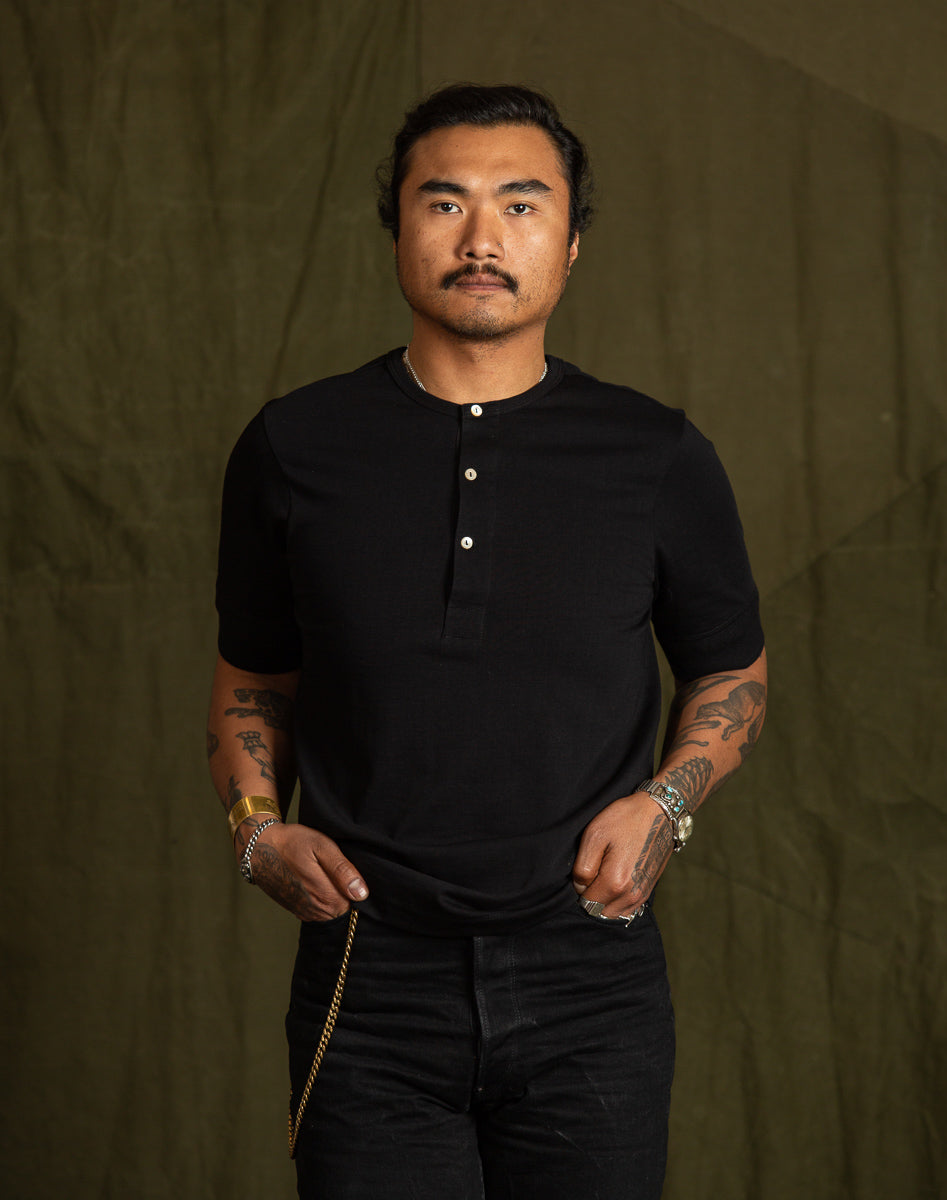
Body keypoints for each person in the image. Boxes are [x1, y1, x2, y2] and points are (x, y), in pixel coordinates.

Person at [207, 83, 766, 1200]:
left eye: (520, 204)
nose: (481, 239)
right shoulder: (294, 445)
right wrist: (256, 832)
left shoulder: (655, 452)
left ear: (571, 242)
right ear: (398, 230)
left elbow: (731, 668)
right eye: (444, 202)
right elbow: (254, 676)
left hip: (590, 973)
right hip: (368, 973)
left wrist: (667, 805)